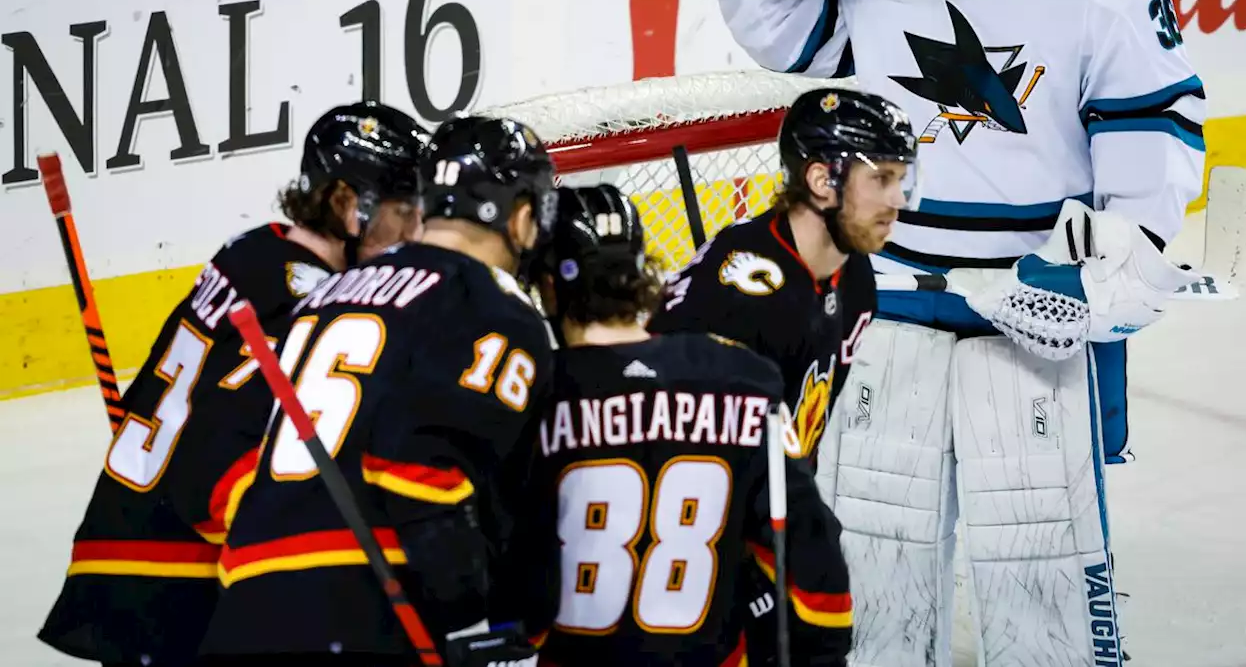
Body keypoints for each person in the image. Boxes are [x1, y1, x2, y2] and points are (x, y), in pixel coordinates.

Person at [705, 0, 1204, 666]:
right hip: (891, 292)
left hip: (1028, 304)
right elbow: (786, 44)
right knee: (870, 537)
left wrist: (1104, 276)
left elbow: (1154, 151)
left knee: (1035, 550)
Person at [39, 101, 432, 667]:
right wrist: (288, 558)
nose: (413, 231)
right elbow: (221, 449)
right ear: (347, 203)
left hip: (136, 543)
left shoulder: (256, 250)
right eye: (402, 211)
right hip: (174, 575)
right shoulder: (300, 296)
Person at [195, 114, 559, 667]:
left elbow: (229, 446)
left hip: (242, 606)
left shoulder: (325, 292)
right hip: (364, 612)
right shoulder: (491, 307)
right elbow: (422, 475)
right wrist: (472, 621)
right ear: (524, 217)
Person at [512, 183, 852, 666]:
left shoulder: (534, 395)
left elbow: (517, 593)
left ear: (549, 287)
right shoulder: (744, 378)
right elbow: (811, 547)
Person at [646, 86, 917, 664]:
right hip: (699, 544)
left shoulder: (857, 278)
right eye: (884, 180)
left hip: (770, 516)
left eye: (901, 179)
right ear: (823, 181)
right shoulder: (741, 294)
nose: (899, 200)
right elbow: (668, 441)